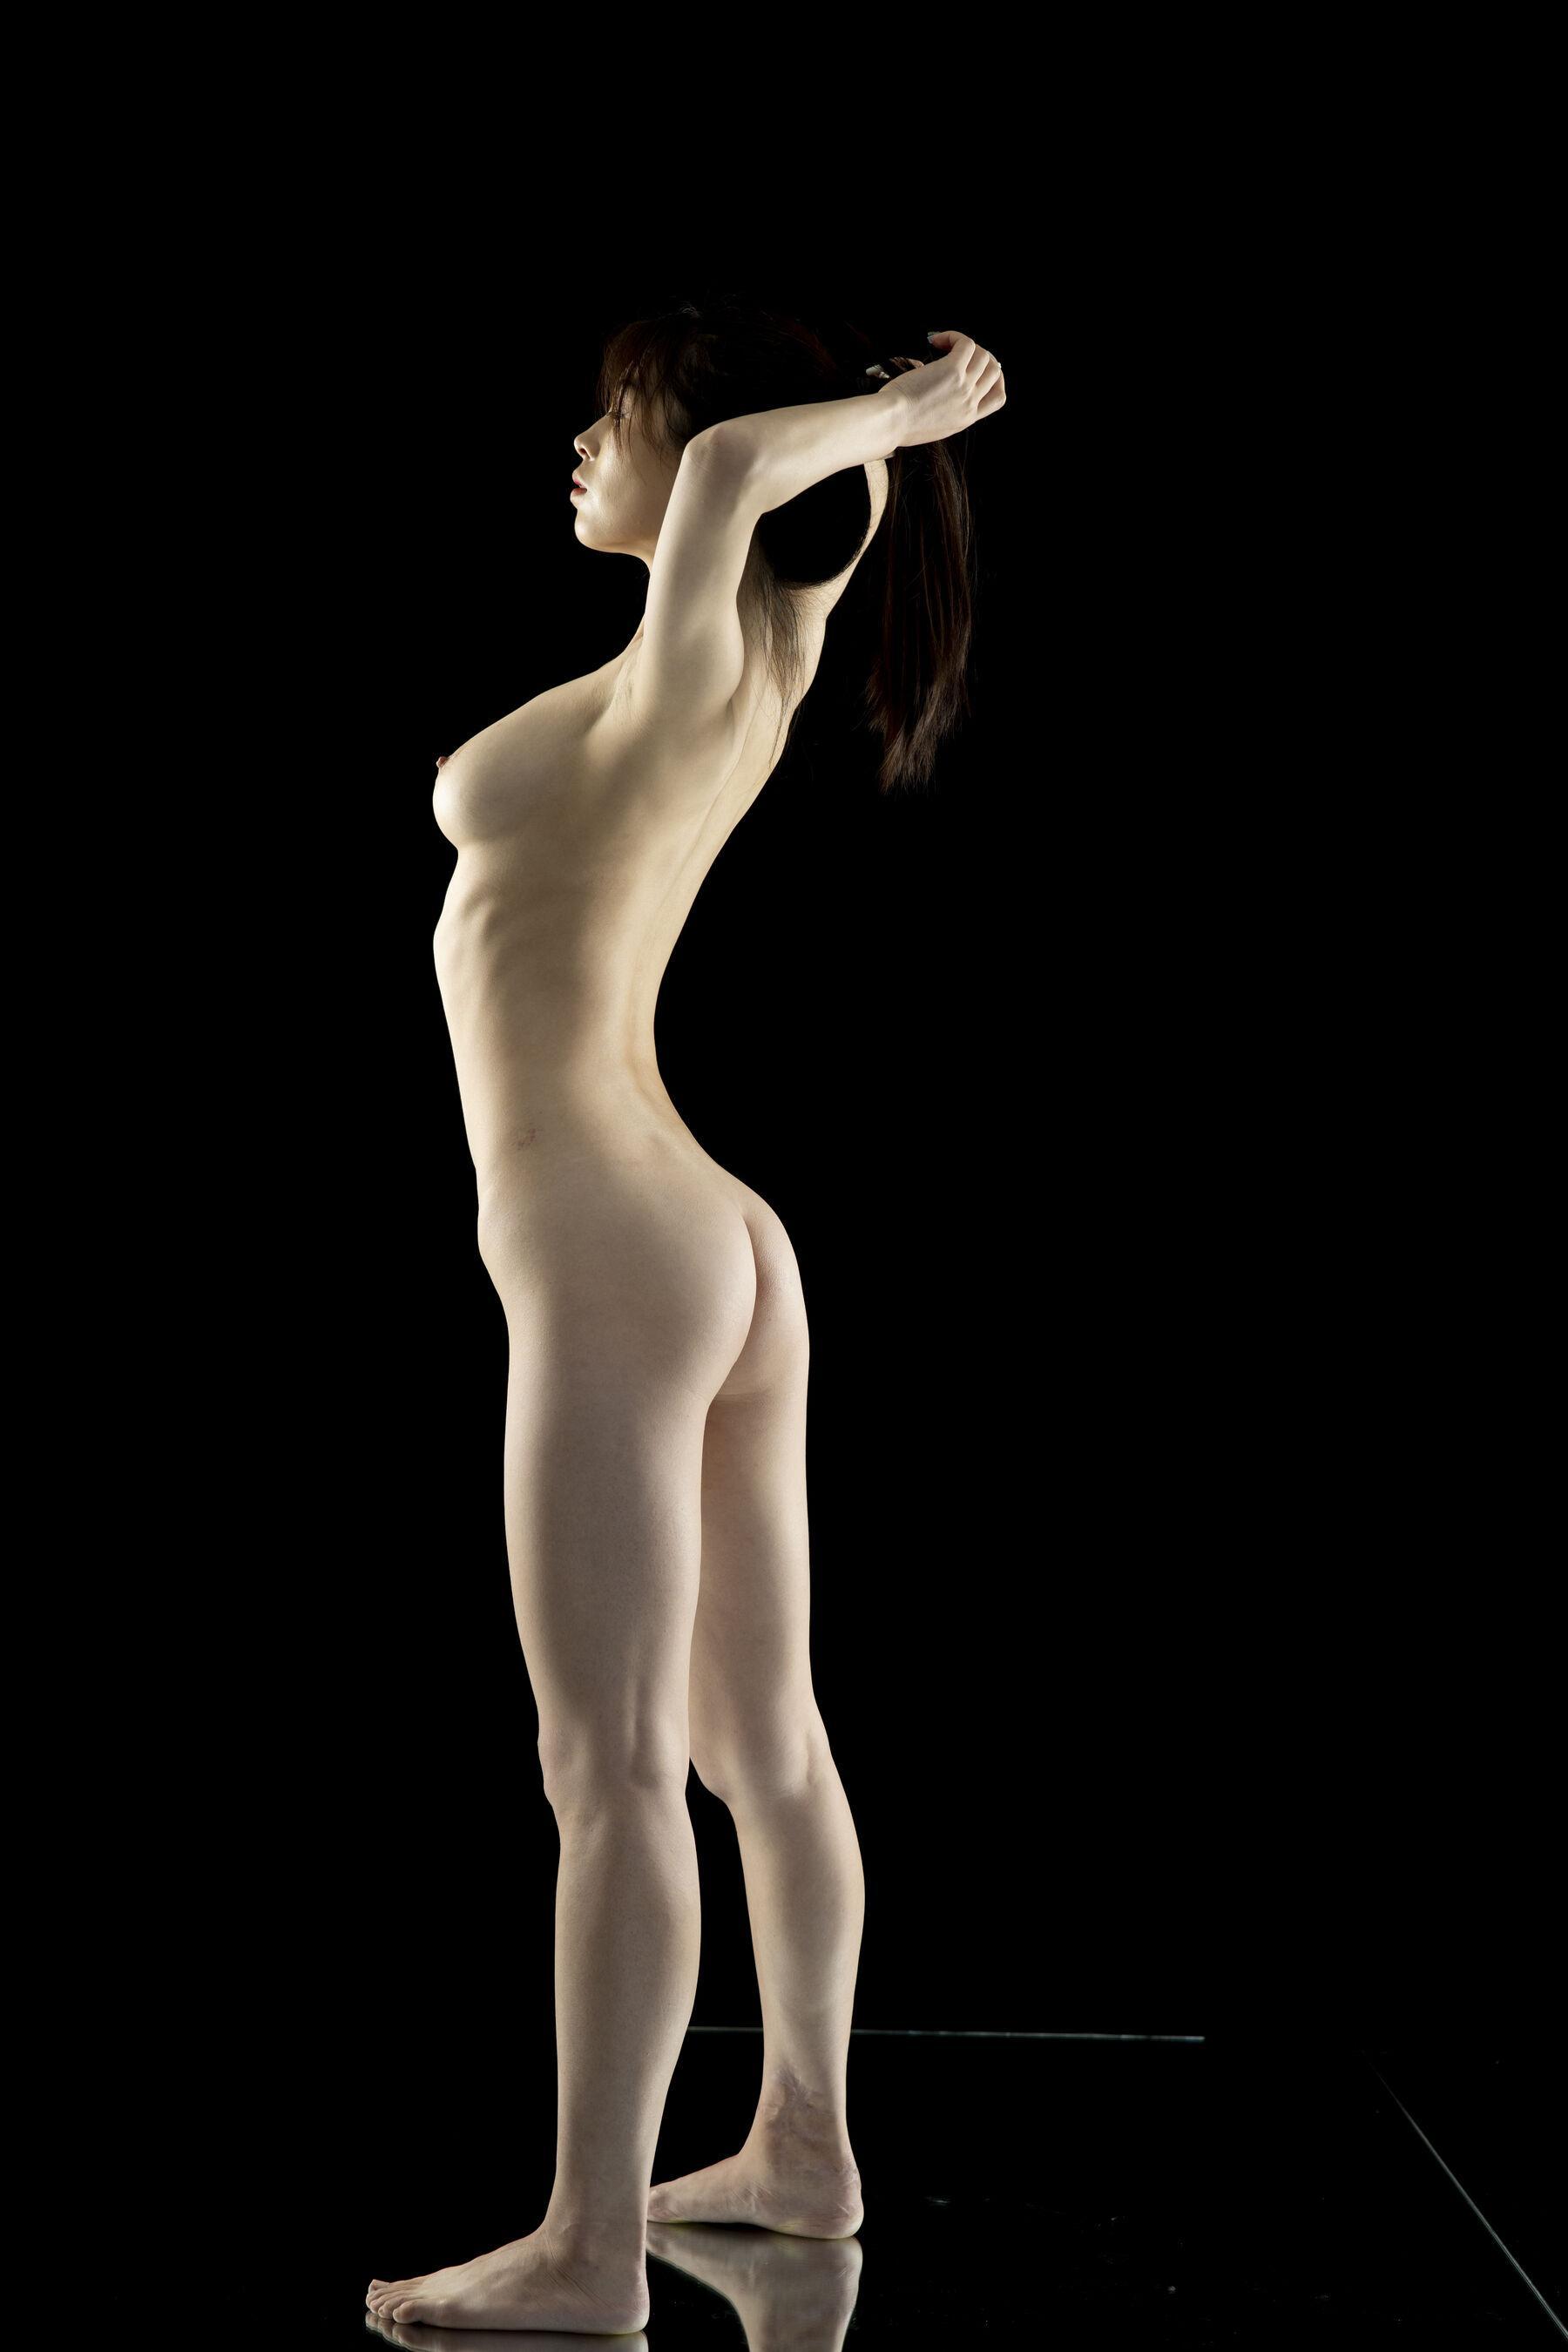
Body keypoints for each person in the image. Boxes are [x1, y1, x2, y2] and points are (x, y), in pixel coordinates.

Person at [367, 300, 1005, 2333]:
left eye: (614, 414)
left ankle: (587, 2246)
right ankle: (804, 2146)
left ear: (704, 436)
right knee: (759, 1740)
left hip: (611, 1246)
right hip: (718, 1240)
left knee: (614, 1763)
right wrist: (891, 446)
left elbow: (739, 470)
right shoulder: (761, 655)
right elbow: (787, 499)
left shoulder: (688, 662)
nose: (586, 444)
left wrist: (900, 407)